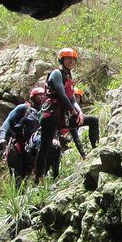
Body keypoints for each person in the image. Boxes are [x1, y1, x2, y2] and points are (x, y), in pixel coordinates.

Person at [35, 47, 85, 178]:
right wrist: (73, 110)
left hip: (61, 116)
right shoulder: (57, 73)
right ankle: (39, 177)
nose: (72, 62)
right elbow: (61, 94)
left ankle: (89, 153)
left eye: (74, 60)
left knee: (93, 120)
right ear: (62, 60)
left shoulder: (69, 77)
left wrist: (79, 112)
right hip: (50, 115)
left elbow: (72, 98)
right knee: (45, 146)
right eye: (69, 59)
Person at [0, 87, 45, 182]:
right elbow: (7, 122)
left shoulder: (45, 112)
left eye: (44, 95)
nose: (42, 97)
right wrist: (2, 138)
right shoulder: (23, 108)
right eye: (39, 95)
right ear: (33, 98)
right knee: (18, 178)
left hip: (34, 149)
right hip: (18, 148)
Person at [58, 87, 100, 159]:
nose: (77, 99)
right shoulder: (66, 108)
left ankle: (95, 148)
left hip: (67, 127)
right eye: (75, 97)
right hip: (59, 129)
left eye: (78, 97)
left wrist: (83, 155)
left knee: (94, 120)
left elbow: (75, 137)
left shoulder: (77, 112)